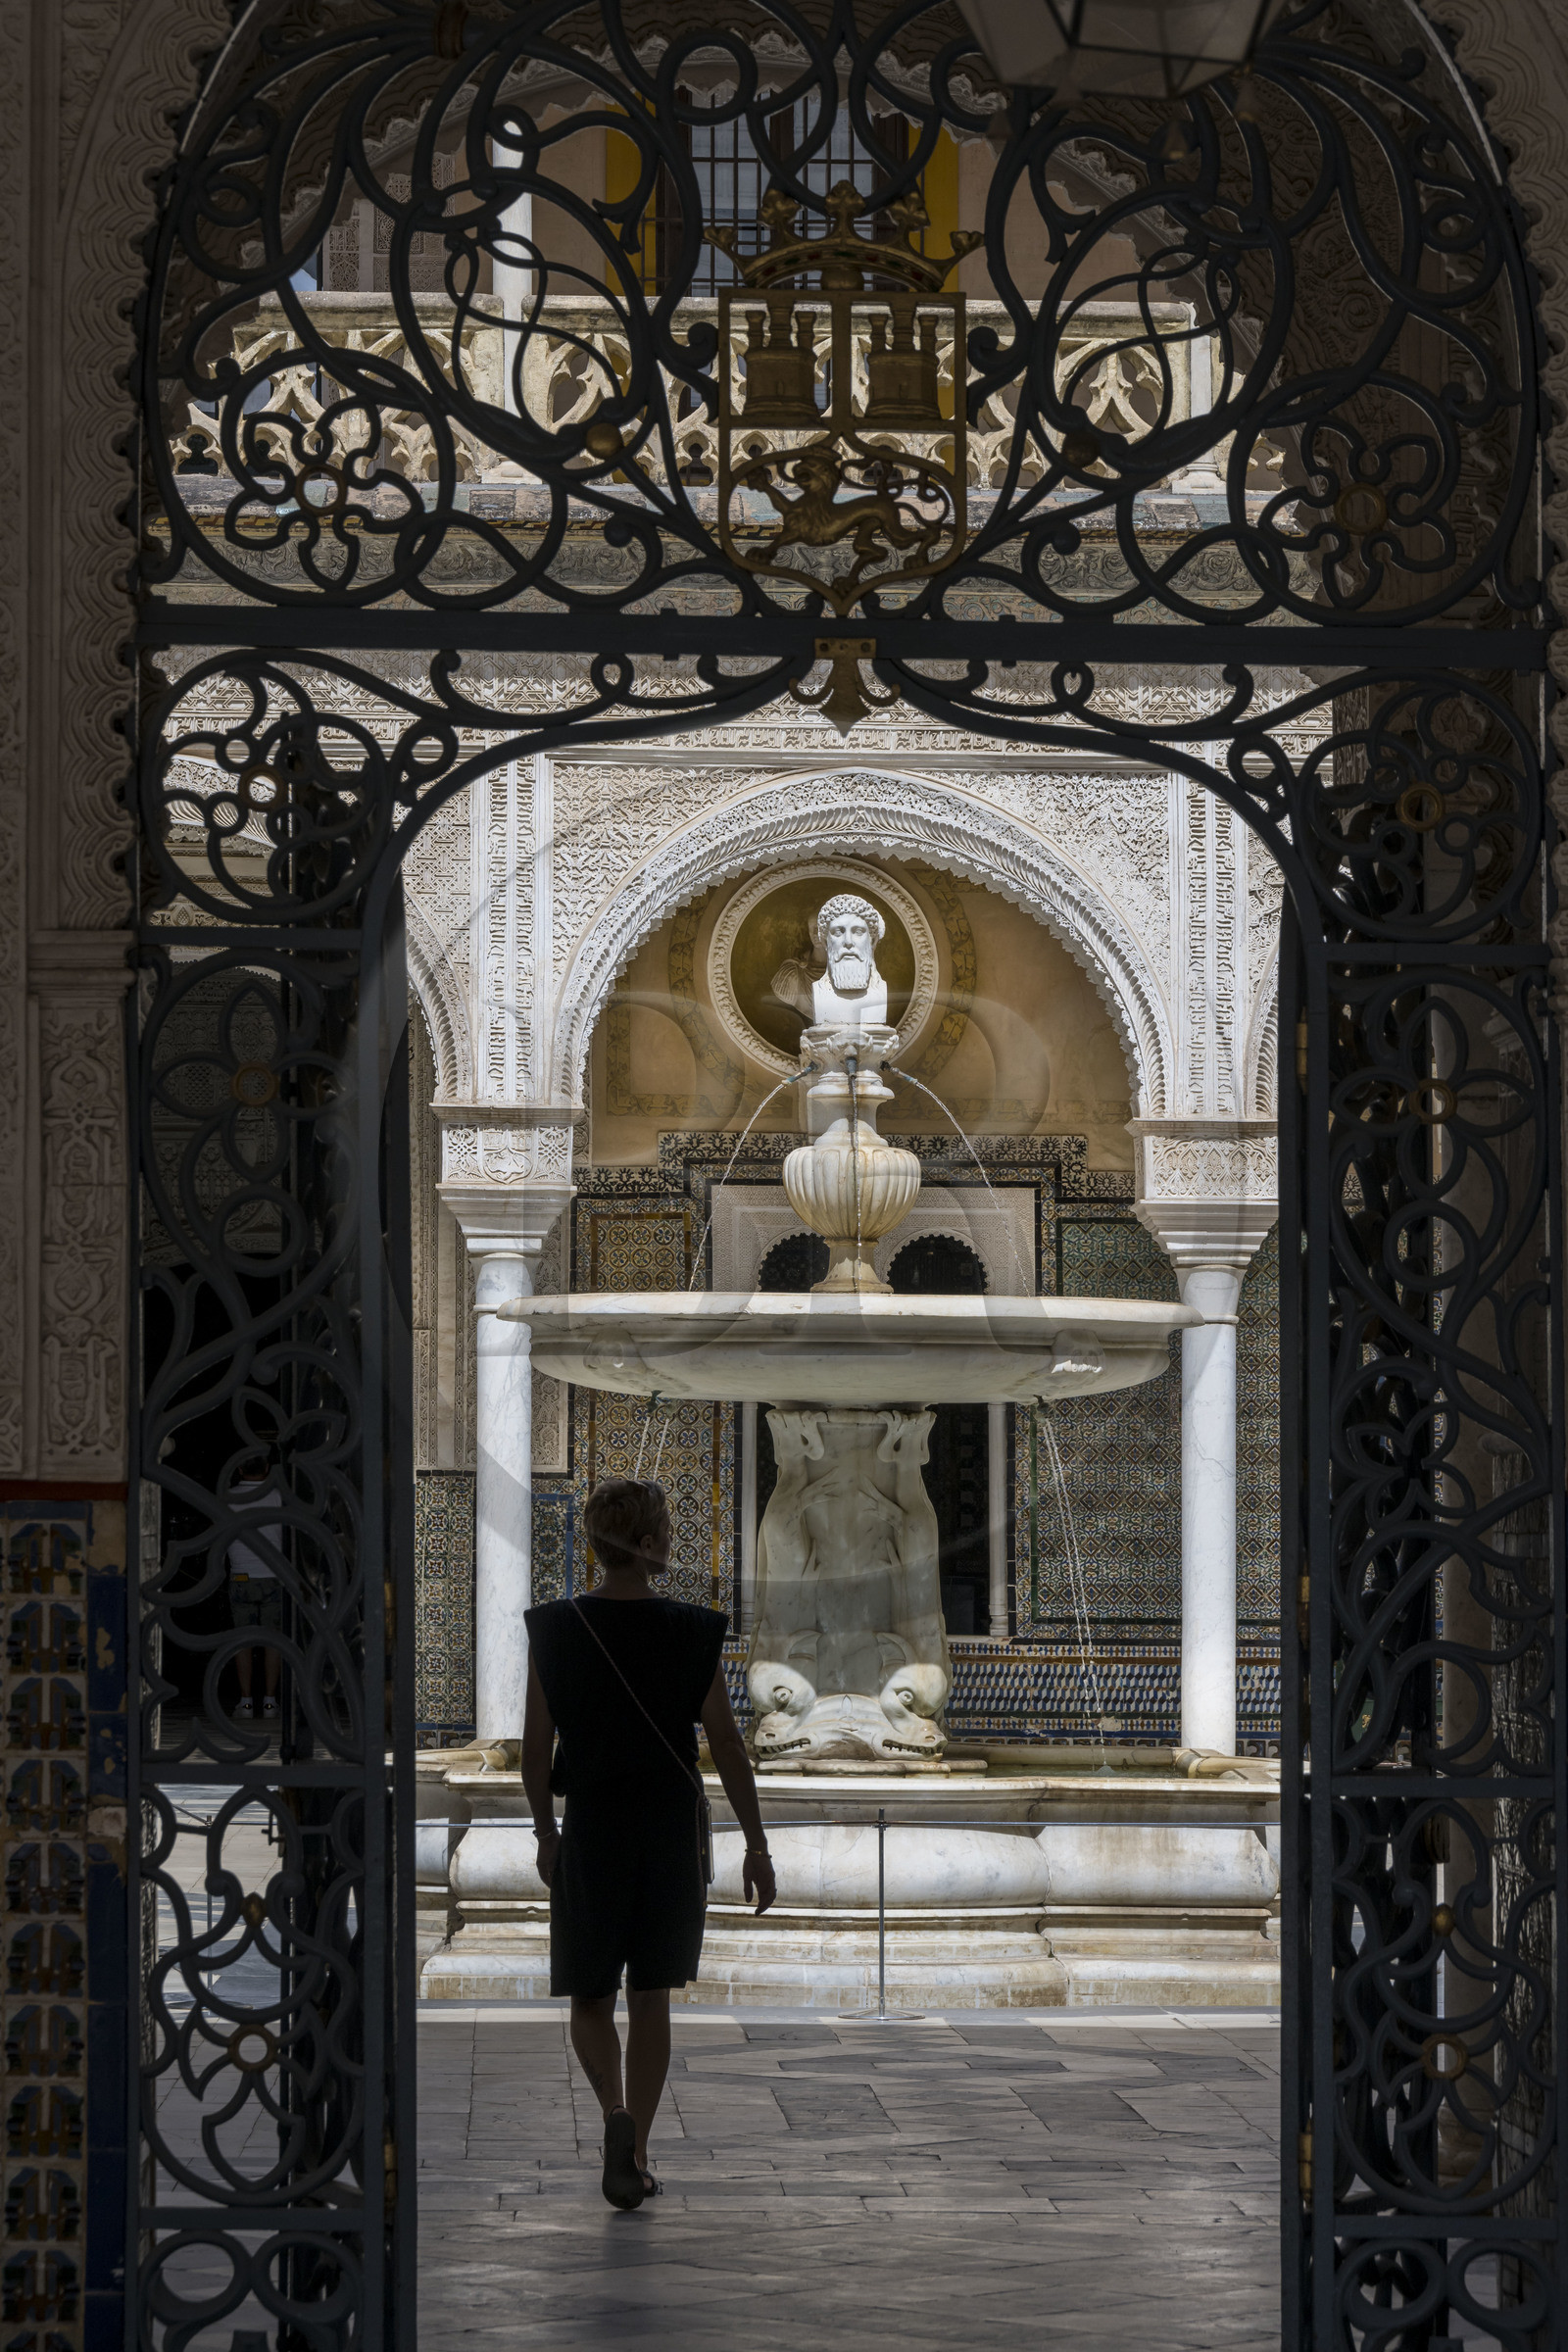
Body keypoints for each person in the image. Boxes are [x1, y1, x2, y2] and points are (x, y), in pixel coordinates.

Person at [522, 1476, 776, 2210]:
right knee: (652, 1996)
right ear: (644, 1542)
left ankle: (614, 2115)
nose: (670, 1540)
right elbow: (726, 1746)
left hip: (593, 1825)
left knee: (591, 1993)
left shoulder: (555, 1627)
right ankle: (635, 2155)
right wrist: (756, 1845)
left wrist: (545, 1830)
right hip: (668, 1831)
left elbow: (537, 1750)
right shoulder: (692, 1631)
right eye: (664, 1529)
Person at [226, 1447, 284, 1722]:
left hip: (241, 1576)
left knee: (243, 1643)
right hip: (273, 1576)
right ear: (267, 1470)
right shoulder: (276, 1496)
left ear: (238, 1469)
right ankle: (271, 1703)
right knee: (273, 1642)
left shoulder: (226, 1498)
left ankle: (246, 1703)